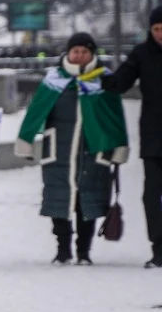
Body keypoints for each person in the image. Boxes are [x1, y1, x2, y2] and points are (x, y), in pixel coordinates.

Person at [15, 32, 129, 265]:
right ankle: (63, 249)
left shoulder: (105, 80)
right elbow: (36, 111)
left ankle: (84, 251)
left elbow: (115, 116)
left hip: (94, 150)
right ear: (68, 53)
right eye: (76, 51)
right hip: (59, 151)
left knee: (89, 202)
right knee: (60, 201)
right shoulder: (54, 79)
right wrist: (26, 140)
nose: (80, 56)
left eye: (85, 52)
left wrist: (119, 146)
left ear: (92, 54)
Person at [101, 6, 162, 268]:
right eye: (156, 29)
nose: (161, 34)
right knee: (152, 195)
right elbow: (122, 81)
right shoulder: (142, 54)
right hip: (154, 137)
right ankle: (159, 248)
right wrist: (107, 81)